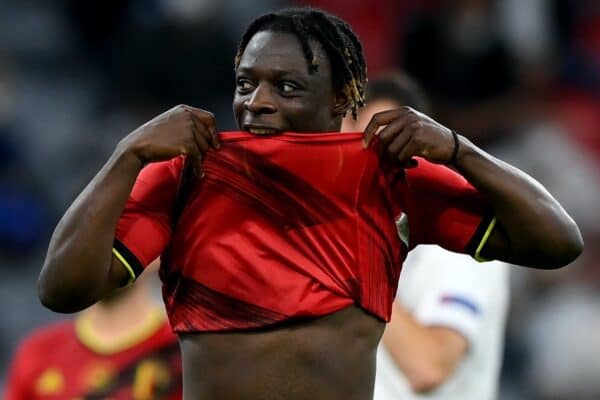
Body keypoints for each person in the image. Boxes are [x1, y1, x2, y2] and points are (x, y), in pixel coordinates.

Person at [37, 7, 583, 400]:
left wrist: (460, 151)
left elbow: (558, 242)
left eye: (287, 87)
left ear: (343, 98)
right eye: (246, 83)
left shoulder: (390, 181)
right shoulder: (188, 174)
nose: (258, 102)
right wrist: (127, 155)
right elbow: (61, 290)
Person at [343, 72, 510, 399]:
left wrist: (349, 260)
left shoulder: (461, 235)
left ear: (416, 154)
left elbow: (429, 365)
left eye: (375, 144)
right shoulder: (355, 232)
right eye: (346, 144)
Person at [6, 261, 182, 399]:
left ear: (160, 252)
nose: (107, 252)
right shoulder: (37, 353)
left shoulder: (186, 354)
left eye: (123, 237)